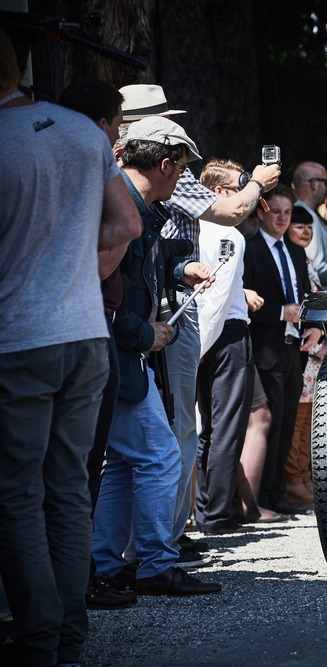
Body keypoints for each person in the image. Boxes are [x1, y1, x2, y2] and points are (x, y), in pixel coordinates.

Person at [0, 28, 141, 664]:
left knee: (17, 494)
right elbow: (127, 223)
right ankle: (67, 636)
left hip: (19, 338)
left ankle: (38, 637)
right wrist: (77, 266)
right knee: (68, 488)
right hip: (85, 333)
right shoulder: (83, 131)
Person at [119, 84, 282, 560]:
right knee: (175, 429)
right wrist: (258, 182)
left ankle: (149, 542)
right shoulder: (161, 165)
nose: (174, 129)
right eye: (166, 121)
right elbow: (232, 211)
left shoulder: (114, 168)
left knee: (151, 432)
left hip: (155, 293)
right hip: (165, 304)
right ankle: (162, 543)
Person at [91, 116, 223, 596]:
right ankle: (154, 565)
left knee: (127, 462)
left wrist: (181, 267)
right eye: (182, 169)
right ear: (165, 165)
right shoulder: (123, 206)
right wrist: (143, 335)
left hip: (121, 355)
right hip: (120, 353)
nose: (183, 178)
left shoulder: (133, 204)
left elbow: (138, 270)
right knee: (162, 456)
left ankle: (106, 564)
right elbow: (102, 292)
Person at [56, 76, 142, 610]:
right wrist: (83, 274)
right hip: (86, 321)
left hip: (49, 319)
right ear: (105, 124)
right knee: (81, 464)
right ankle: (74, 585)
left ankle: (64, 586)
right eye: (119, 125)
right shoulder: (89, 153)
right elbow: (128, 226)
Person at [195, 159, 288, 531]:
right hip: (224, 333)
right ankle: (217, 513)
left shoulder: (196, 226)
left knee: (208, 427)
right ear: (219, 193)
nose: (249, 195)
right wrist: (204, 344)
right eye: (240, 188)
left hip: (204, 335)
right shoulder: (228, 233)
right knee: (227, 427)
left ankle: (205, 509)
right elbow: (216, 299)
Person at [243, 185, 322, 515]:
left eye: (287, 212)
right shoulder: (249, 248)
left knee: (287, 423)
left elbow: (306, 296)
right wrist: (279, 313)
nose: (282, 218)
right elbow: (242, 302)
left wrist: (315, 326)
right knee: (271, 422)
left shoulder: (295, 251)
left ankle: (278, 492)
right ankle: (260, 496)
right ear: (262, 212)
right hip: (266, 345)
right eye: (276, 211)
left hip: (296, 347)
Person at [284, 207, 327, 508]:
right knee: (296, 423)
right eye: (299, 226)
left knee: (307, 422)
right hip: (302, 349)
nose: (306, 232)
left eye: (309, 227)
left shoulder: (307, 260)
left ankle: (303, 476)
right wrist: (315, 345)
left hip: (315, 351)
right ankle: (292, 480)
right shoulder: (291, 258)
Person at [292, 161, 327, 290]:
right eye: (326, 183)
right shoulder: (305, 216)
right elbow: (315, 264)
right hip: (322, 294)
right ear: (314, 183)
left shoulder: (305, 213)